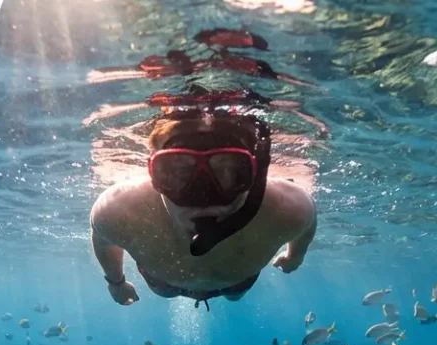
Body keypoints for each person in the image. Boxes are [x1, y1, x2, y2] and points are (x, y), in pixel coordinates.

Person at [90, 109, 315, 309]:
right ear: (152, 174)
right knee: (166, 293)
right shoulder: (118, 208)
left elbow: (307, 224)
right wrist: (116, 282)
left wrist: (295, 256)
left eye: (229, 171)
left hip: (235, 283)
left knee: (235, 296)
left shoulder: (289, 208)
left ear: (255, 175)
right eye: (178, 172)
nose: (204, 195)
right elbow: (101, 237)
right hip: (165, 284)